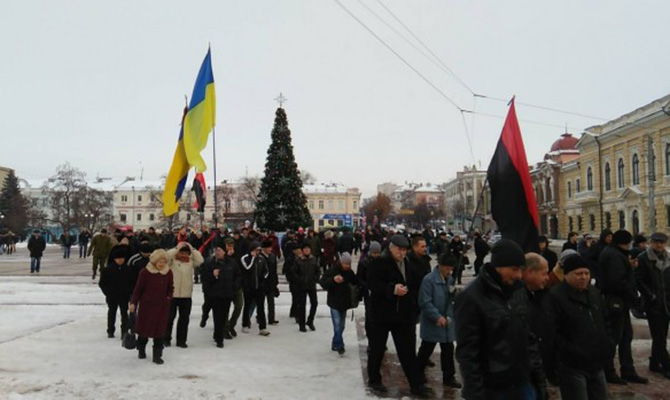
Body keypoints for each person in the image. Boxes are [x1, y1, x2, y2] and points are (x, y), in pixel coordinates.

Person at [454, 239, 547, 400]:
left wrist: (539, 382)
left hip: (523, 384)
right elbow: (468, 354)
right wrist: (476, 395)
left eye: (521, 270)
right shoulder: (471, 298)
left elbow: (528, 338)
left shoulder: (517, 291)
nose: (519, 275)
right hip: (494, 390)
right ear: (498, 266)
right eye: (514, 269)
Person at [367, 235, 433, 398]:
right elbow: (372, 284)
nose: (402, 253)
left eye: (404, 250)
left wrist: (413, 304)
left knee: (408, 352)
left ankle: (416, 384)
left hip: (403, 316)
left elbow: (415, 284)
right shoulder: (379, 263)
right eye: (399, 249)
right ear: (391, 248)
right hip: (381, 315)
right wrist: (392, 289)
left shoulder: (408, 263)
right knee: (377, 349)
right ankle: (374, 379)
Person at [546, 254, 609, 400]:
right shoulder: (556, 296)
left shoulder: (594, 293)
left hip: (596, 361)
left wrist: (607, 343)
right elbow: (553, 332)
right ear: (567, 275)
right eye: (578, 274)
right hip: (572, 365)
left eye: (586, 273)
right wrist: (569, 351)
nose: (583, 277)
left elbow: (605, 320)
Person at [598, 229, 648, 384]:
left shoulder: (614, 253)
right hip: (615, 303)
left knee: (625, 336)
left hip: (620, 303)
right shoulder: (613, 255)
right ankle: (609, 371)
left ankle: (627, 370)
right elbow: (617, 281)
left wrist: (628, 266)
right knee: (614, 338)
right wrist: (635, 297)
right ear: (625, 243)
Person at [417, 253, 461, 388]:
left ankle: (449, 377)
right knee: (426, 349)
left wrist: (455, 295)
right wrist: (437, 317)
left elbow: (452, 300)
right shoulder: (428, 280)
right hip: (433, 322)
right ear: (440, 266)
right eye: (448, 268)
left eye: (452, 269)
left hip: (446, 323)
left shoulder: (450, 279)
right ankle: (417, 373)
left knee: (448, 350)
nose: (450, 271)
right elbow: (425, 302)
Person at [129, 249, 174, 365]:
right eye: (159, 261)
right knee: (144, 331)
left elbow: (170, 288)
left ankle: (157, 355)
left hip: (162, 307)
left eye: (164, 261)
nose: (162, 264)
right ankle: (141, 349)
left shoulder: (168, 272)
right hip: (147, 307)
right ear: (154, 261)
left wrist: (168, 297)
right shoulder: (145, 272)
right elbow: (138, 289)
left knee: (159, 332)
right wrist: (133, 302)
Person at [635, 232, 670, 379]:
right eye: (656, 242)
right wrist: (651, 296)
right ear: (651, 242)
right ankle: (667, 366)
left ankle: (654, 362)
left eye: (662, 242)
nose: (659, 245)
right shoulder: (643, 258)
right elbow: (639, 280)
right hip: (653, 303)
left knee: (661, 335)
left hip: (667, 303)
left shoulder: (668, 257)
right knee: (659, 335)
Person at [522, 253, 556, 385]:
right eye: (544, 273)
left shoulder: (544, 297)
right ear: (530, 272)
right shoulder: (514, 300)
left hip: (539, 370)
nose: (547, 278)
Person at [201, 242, 241, 348]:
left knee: (224, 316)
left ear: (224, 252)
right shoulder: (210, 263)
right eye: (216, 250)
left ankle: (217, 333)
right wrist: (212, 275)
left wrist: (234, 286)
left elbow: (238, 275)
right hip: (215, 294)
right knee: (217, 317)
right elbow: (204, 278)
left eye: (219, 250)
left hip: (227, 294)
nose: (217, 252)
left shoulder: (231, 263)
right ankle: (219, 339)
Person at [164, 241, 203, 348]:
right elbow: (166, 257)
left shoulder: (190, 261)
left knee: (184, 320)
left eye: (186, 253)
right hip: (173, 294)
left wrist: (192, 249)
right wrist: (177, 248)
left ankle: (181, 341)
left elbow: (200, 261)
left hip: (186, 295)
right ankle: (166, 339)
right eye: (182, 252)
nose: (184, 254)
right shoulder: (172, 261)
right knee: (169, 318)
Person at [319, 252, 358, 354]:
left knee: (341, 326)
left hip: (344, 303)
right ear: (341, 262)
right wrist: (333, 280)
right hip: (334, 302)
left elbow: (356, 283)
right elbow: (323, 283)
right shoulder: (332, 271)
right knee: (337, 324)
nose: (347, 266)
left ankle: (335, 342)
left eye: (349, 264)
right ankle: (340, 345)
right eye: (345, 264)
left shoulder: (350, 272)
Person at [99, 245, 132, 338]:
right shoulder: (108, 270)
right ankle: (110, 330)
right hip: (112, 296)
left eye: (122, 258)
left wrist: (129, 292)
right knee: (112, 313)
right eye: (118, 258)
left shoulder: (128, 269)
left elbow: (132, 282)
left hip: (124, 296)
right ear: (114, 259)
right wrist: (108, 293)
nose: (120, 260)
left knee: (124, 314)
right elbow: (102, 283)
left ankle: (124, 331)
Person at [240, 242, 270, 336]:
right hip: (248, 286)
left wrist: (263, 279)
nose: (258, 252)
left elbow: (266, 270)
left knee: (261, 307)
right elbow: (247, 268)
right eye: (256, 250)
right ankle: (245, 324)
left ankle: (262, 327)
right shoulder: (245, 258)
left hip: (259, 287)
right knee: (247, 306)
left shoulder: (261, 259)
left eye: (259, 250)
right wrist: (252, 258)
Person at [357, 240, 381, 347]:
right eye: (374, 253)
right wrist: (368, 286)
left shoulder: (382, 262)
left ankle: (379, 340)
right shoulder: (364, 263)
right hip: (368, 294)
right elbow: (359, 279)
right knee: (370, 317)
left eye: (378, 253)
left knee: (380, 317)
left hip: (380, 294)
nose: (376, 255)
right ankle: (371, 341)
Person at [294, 242, 320, 332]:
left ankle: (310, 321)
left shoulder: (314, 260)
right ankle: (302, 324)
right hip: (301, 286)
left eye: (308, 249)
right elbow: (294, 273)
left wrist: (315, 279)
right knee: (302, 306)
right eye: (305, 249)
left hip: (311, 285)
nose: (307, 250)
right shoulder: (298, 260)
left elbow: (318, 271)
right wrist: (299, 280)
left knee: (314, 303)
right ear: (302, 250)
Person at [260, 239, 279, 325]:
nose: (270, 249)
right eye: (268, 248)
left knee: (271, 302)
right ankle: (260, 318)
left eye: (270, 247)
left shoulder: (272, 256)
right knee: (260, 303)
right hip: (262, 283)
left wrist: (276, 282)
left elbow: (274, 270)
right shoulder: (259, 257)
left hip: (271, 282)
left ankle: (271, 318)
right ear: (263, 249)